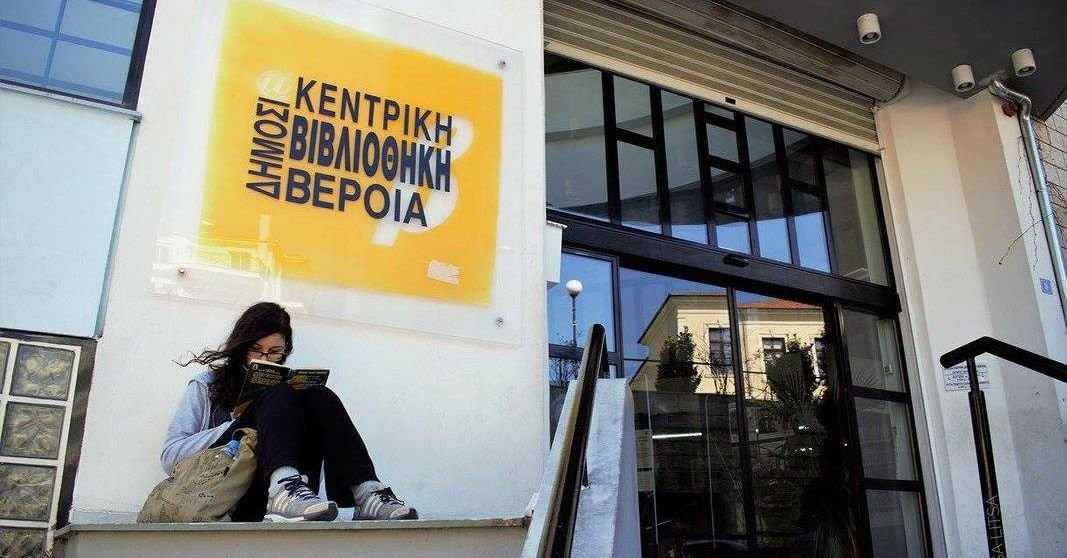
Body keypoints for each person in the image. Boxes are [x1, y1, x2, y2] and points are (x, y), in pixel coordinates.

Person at [161, 301, 417, 522]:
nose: (264, 359)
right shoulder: (206, 385)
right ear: (241, 347)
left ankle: (366, 493)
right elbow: (170, 456)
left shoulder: (286, 394)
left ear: (285, 351)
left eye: (274, 352)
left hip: (279, 501)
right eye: (255, 349)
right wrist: (237, 425)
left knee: (318, 394)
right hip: (226, 496)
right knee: (277, 393)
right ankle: (282, 490)